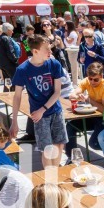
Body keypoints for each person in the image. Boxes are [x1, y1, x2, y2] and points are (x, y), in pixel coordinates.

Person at [10, 34, 67, 168]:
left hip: (54, 110)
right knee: (46, 149)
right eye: (46, 49)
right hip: (39, 116)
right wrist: (14, 122)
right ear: (35, 51)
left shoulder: (54, 63)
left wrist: (43, 109)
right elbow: (17, 96)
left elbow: (57, 92)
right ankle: (50, 177)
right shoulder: (23, 70)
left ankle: (56, 174)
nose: (50, 52)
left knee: (59, 144)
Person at [64, 62, 104, 160]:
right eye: (90, 79)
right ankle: (72, 157)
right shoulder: (86, 81)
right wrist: (77, 97)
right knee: (70, 125)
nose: (92, 82)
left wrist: (89, 99)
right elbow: (72, 95)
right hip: (93, 116)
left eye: (96, 79)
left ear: (101, 76)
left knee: (94, 144)